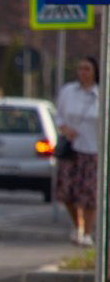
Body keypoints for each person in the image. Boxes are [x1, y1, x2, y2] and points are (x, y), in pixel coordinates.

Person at [55, 56, 101, 247]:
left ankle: (87, 233)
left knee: (89, 193)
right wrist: (65, 129)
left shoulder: (100, 94)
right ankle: (78, 225)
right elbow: (58, 116)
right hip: (71, 149)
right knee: (67, 192)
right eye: (80, 68)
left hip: (93, 150)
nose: (82, 72)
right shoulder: (68, 91)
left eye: (87, 69)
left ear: (95, 71)